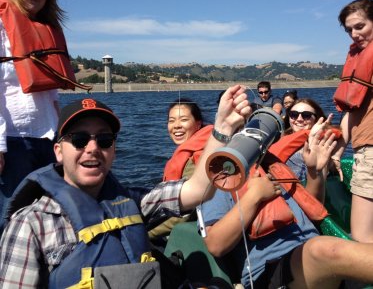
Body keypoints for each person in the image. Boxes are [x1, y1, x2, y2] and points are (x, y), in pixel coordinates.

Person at [0, 85, 251, 288]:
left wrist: (224, 128)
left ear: (113, 151)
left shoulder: (133, 203)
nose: (93, 148)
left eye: (105, 140)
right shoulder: (30, 224)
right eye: (79, 139)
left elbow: (199, 190)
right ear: (58, 151)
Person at [200, 123, 373, 289]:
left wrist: (314, 171)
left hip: (313, 263)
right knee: (321, 249)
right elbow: (215, 244)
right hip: (272, 272)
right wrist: (253, 196)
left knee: (322, 249)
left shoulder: (273, 166)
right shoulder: (221, 181)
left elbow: (311, 208)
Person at [0, 0, 81, 233]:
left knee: (48, 215)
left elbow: (51, 95)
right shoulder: (2, 26)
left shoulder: (47, 30)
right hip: (13, 141)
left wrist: (62, 138)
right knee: (10, 218)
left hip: (46, 138)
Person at [333, 0, 373, 243]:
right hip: (363, 149)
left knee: (362, 236)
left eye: (360, 26)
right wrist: (337, 152)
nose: (354, 34)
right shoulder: (360, 60)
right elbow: (352, 111)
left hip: (371, 151)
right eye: (349, 30)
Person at [148, 99, 213, 241]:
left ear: (198, 123)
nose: (176, 126)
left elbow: (185, 212)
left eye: (183, 120)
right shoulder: (195, 148)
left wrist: (144, 232)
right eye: (171, 121)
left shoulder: (198, 158)